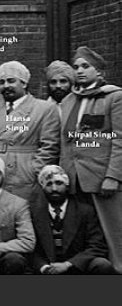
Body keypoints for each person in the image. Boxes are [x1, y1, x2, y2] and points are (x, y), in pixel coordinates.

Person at [59, 46, 122, 272]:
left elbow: (119, 139)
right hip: (73, 178)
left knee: (112, 230)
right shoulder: (69, 100)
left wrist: (113, 176)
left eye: (86, 66)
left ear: (99, 71)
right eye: (76, 67)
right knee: (80, 233)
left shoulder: (113, 97)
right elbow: (65, 141)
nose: (79, 71)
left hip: (101, 178)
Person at [0, 60, 60, 200]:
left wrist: (32, 171)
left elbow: (50, 148)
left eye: (11, 81)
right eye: (1, 82)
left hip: (24, 176)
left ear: (24, 83)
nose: (6, 86)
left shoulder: (44, 109)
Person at [30, 165, 115, 274]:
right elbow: (31, 248)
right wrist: (44, 267)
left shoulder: (85, 211)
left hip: (76, 266)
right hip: (48, 268)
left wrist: (68, 264)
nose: (54, 188)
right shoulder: (35, 213)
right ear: (43, 188)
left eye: (59, 183)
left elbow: (97, 246)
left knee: (102, 264)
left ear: (67, 186)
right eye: (49, 184)